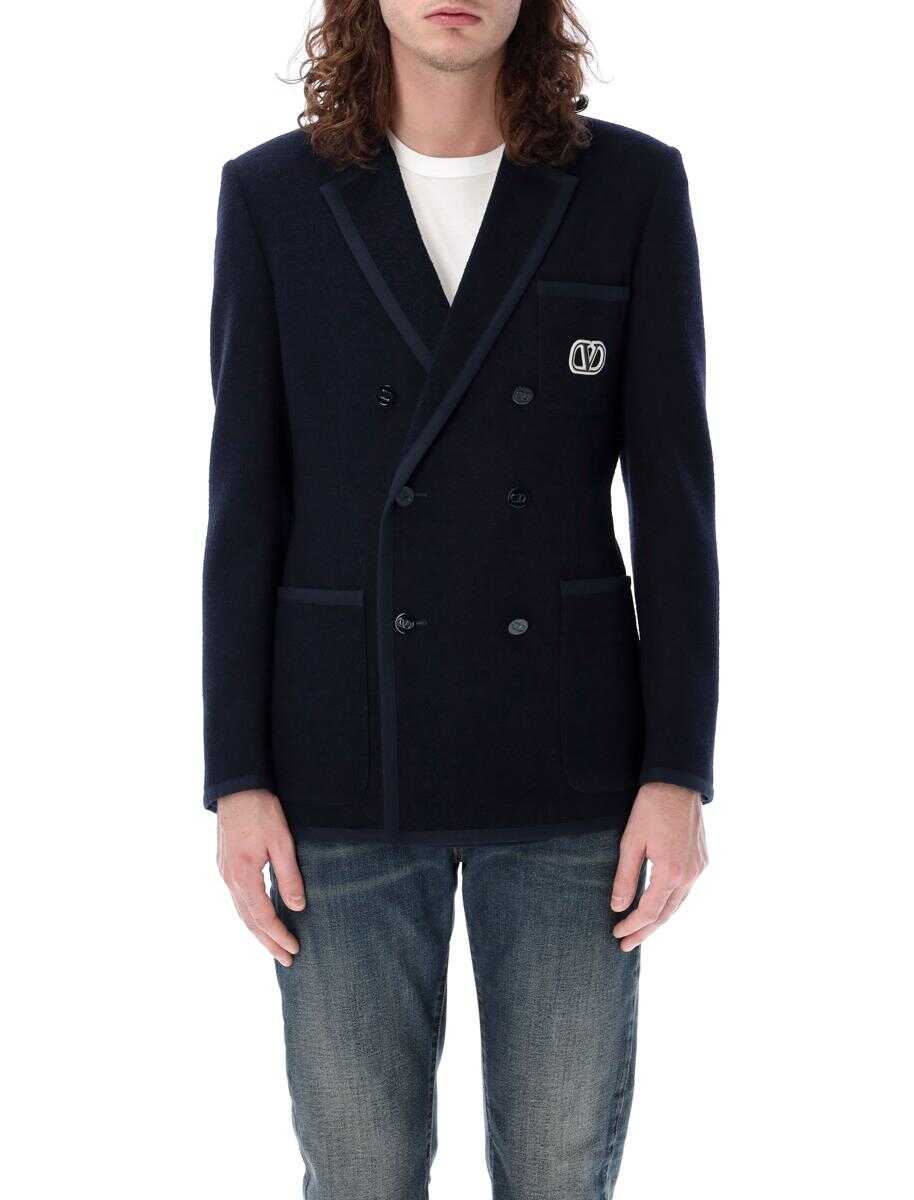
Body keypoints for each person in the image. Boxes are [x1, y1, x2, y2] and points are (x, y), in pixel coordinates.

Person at [202, 1, 718, 1195]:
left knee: (557, 1167)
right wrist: (235, 775)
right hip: (339, 757)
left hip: (571, 766)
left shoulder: (629, 187)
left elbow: (675, 502)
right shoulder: (273, 197)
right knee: (359, 1170)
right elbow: (244, 504)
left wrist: (677, 769)